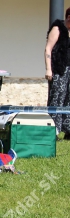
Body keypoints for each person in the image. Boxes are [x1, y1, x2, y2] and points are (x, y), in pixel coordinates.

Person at [45, 7, 70, 139]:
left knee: (68, 99)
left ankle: (68, 130)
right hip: (59, 68)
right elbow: (48, 49)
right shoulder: (58, 28)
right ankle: (52, 130)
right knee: (57, 98)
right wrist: (48, 69)